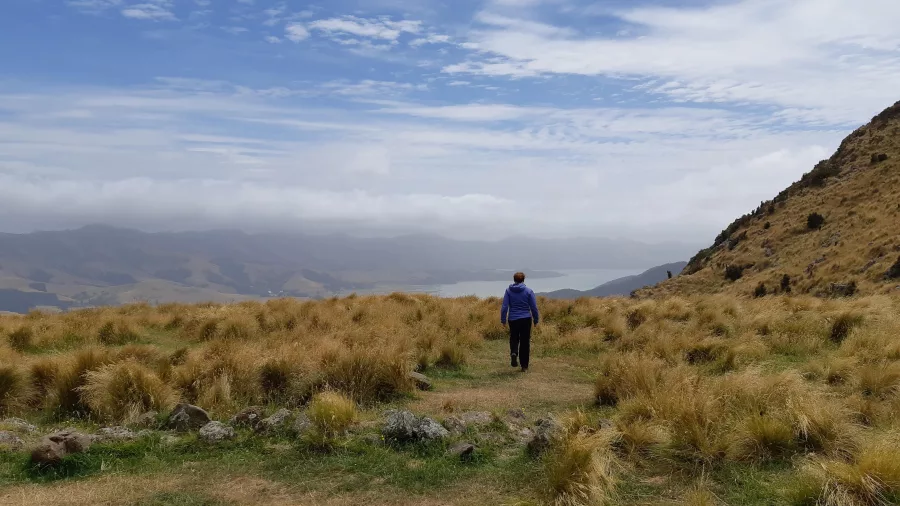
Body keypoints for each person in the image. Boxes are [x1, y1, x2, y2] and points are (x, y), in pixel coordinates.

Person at [500, 272, 540, 372]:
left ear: (514, 279)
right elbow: (534, 307)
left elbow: (504, 307)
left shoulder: (508, 291)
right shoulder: (529, 291)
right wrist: (536, 319)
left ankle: (514, 352)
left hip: (513, 319)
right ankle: (524, 365)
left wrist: (503, 320)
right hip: (526, 319)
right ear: (523, 280)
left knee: (514, 338)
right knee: (525, 342)